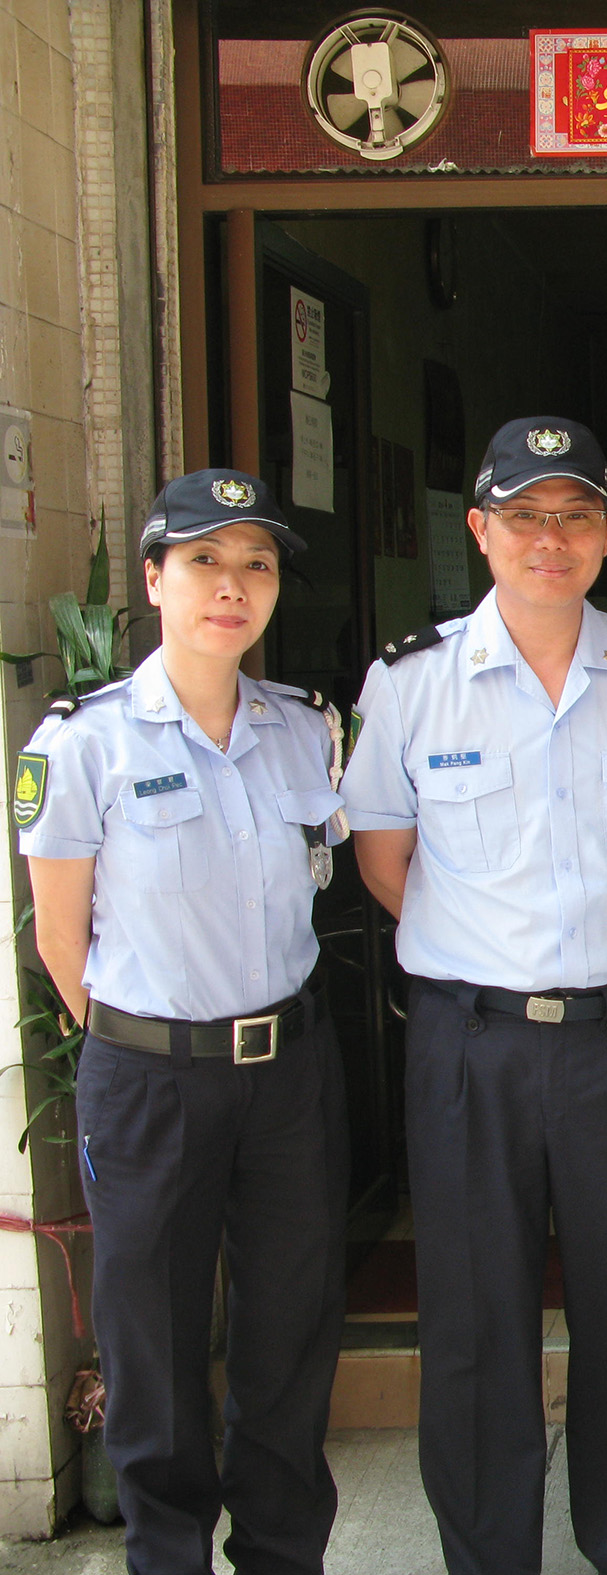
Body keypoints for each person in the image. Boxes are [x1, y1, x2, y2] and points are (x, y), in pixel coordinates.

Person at [340, 418, 607, 1575]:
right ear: (480, 531)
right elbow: (385, 862)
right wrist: (488, 951)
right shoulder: (411, 682)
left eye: (575, 515)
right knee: (474, 1323)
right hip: (471, 1044)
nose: (552, 538)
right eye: (526, 516)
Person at [18, 470, 348, 1573]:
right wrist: (149, 1046)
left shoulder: (305, 729)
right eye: (205, 560)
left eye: (256, 564)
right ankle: (167, 1556)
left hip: (287, 1075)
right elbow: (60, 941)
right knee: (152, 1345)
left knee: (289, 1336)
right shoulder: (86, 744)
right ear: (155, 578)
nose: (232, 586)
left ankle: (282, 1553)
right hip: (151, 1078)